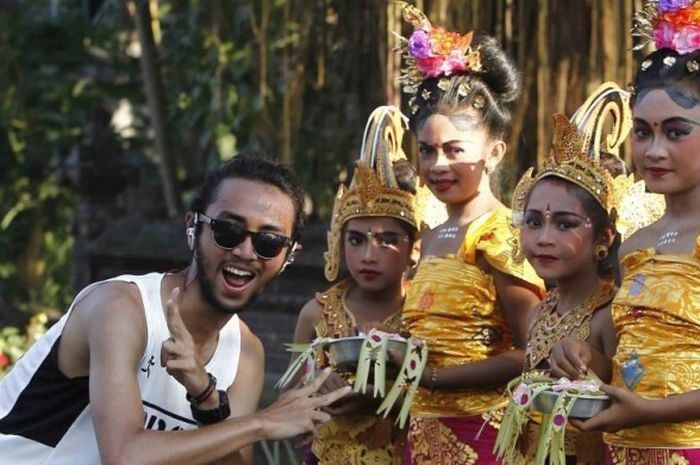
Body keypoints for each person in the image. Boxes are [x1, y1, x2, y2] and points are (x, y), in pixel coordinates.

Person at [0, 152, 350, 465]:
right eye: (228, 231)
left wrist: (207, 397)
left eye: (268, 242)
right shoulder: (121, 309)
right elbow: (123, 457)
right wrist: (263, 422)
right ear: (193, 226)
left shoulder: (245, 353)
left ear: (289, 256)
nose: (245, 251)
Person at [394, 3, 545, 463]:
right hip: (420, 428)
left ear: (494, 152)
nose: (439, 165)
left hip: (484, 435)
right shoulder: (431, 234)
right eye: (427, 150)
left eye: (455, 150)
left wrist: (434, 377)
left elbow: (532, 354)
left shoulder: (501, 235)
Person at [550, 1, 700, 463]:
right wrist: (582, 358)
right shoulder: (634, 245)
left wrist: (651, 411)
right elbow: (622, 362)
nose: (653, 150)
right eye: (642, 132)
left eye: (675, 133)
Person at [498, 83, 632, 465]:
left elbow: (624, 402)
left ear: (604, 237)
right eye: (535, 221)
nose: (544, 238)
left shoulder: (611, 314)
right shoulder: (541, 310)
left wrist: (593, 364)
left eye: (565, 224)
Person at [291, 106, 418, 465]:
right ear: (338, 241)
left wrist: (387, 395)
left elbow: (448, 404)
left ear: (415, 248)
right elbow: (287, 402)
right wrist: (316, 386)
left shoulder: (427, 314)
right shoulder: (316, 314)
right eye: (357, 239)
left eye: (388, 240)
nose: (368, 255)